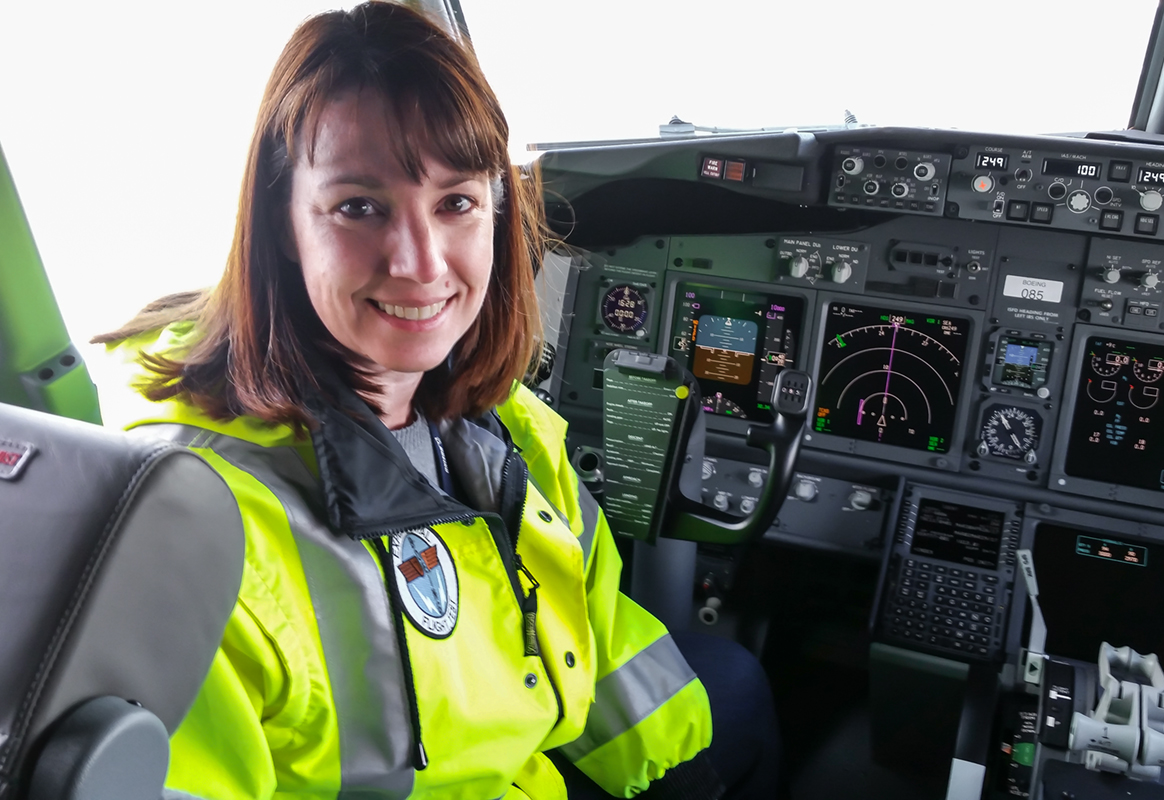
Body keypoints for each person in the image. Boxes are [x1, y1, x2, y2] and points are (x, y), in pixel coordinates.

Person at [96, 3, 778, 798]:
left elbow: (589, 625)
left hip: (527, 761)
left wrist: (672, 763)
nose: (421, 264)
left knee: (731, 686)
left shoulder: (502, 422)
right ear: (282, 224)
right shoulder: (193, 536)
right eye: (359, 206)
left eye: (455, 203)